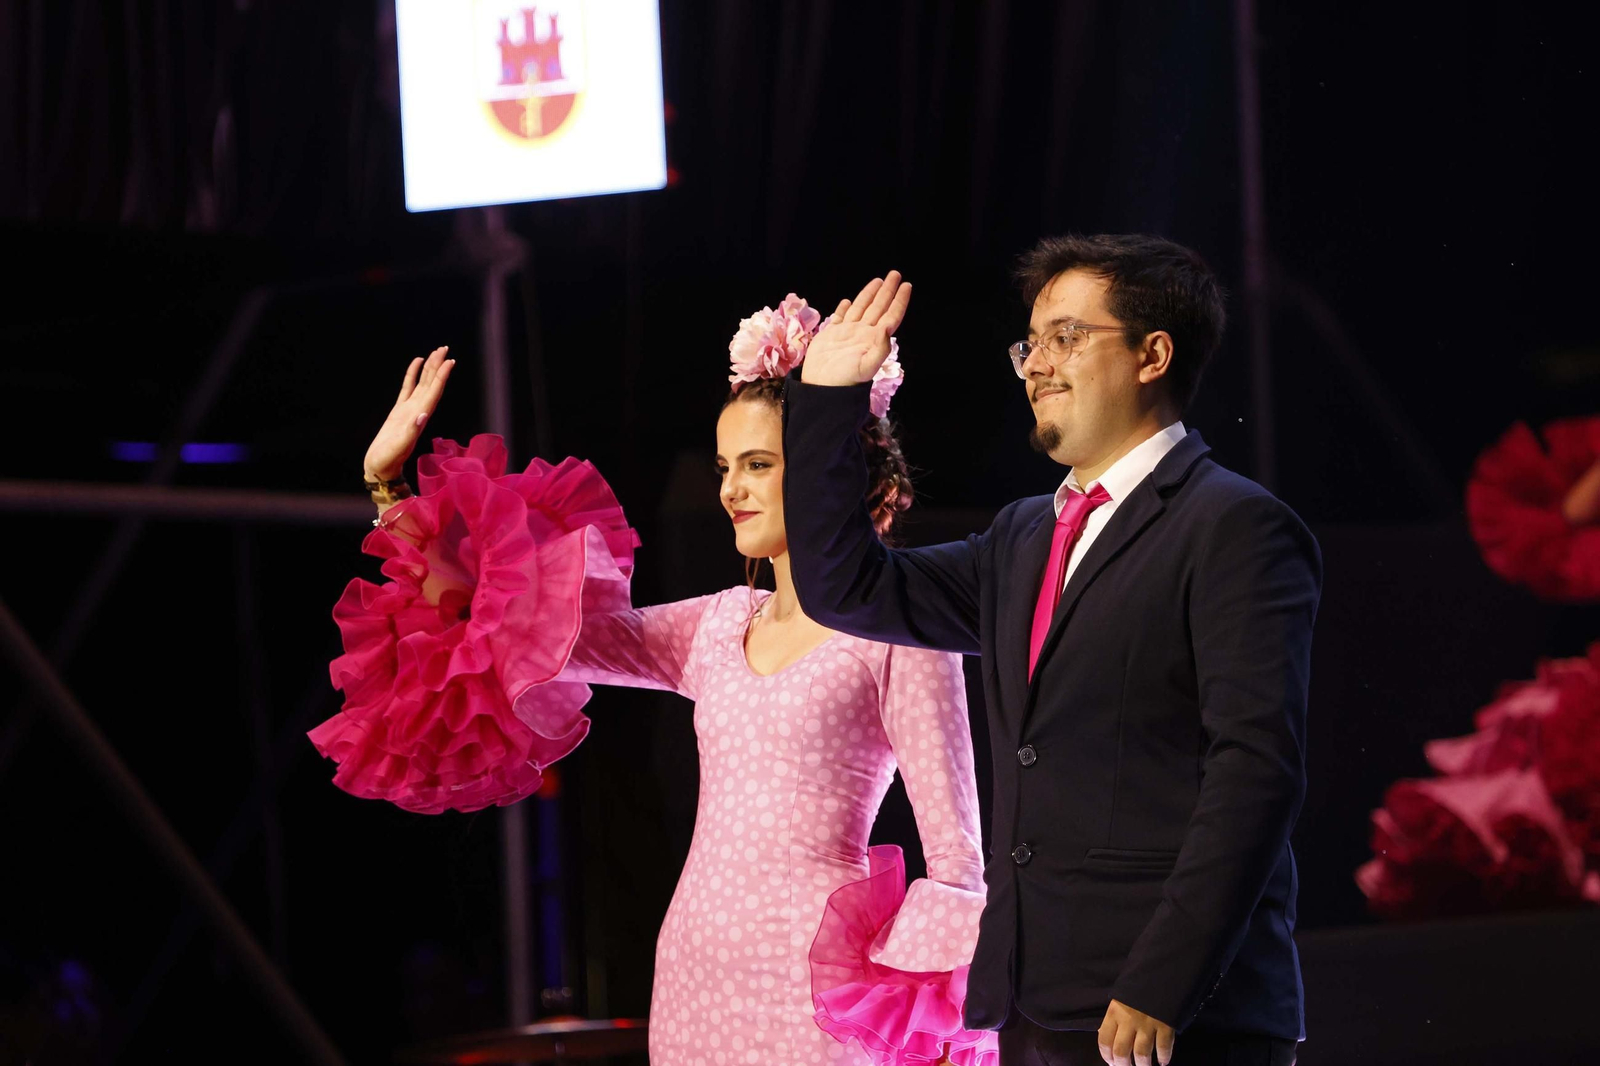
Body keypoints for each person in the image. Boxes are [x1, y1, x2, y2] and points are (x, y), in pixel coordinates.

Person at [310, 296, 1001, 1065]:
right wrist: (391, 494)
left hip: (818, 990)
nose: (731, 490)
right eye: (725, 468)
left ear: (829, 468)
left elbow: (959, 864)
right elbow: (524, 631)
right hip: (694, 975)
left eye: (760, 464)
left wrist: (935, 1029)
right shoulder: (719, 624)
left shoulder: (900, 632)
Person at [780, 237, 1322, 1066]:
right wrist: (828, 399)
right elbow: (846, 589)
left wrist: (1162, 981)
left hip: (1174, 1013)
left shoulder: (1233, 527)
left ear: (1153, 355)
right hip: (1033, 1000)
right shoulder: (1024, 536)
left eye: (1067, 337)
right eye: (1030, 343)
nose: (1035, 364)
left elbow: (1254, 775)